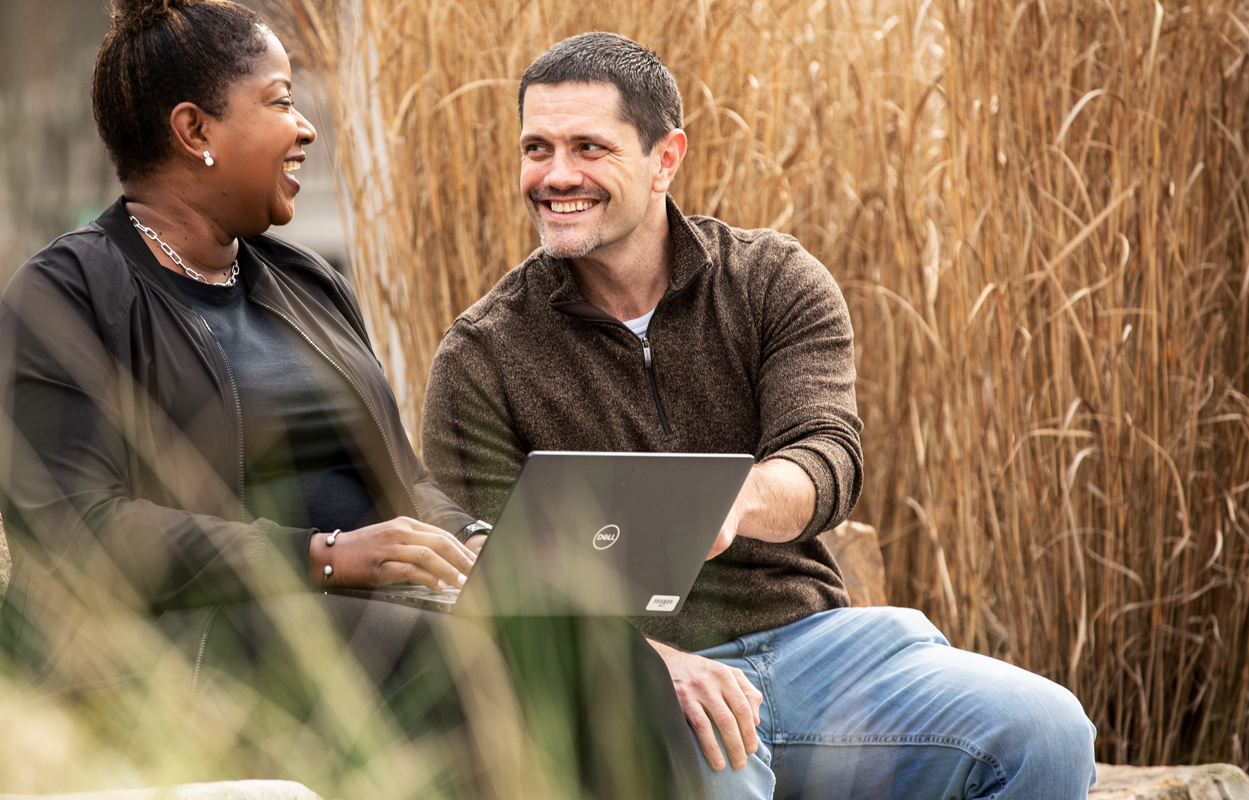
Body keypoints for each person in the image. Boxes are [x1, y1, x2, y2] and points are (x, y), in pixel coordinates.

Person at [0, 5, 699, 797]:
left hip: (364, 615)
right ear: (195, 131)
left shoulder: (305, 282)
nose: (305, 127)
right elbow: (77, 532)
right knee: (481, 675)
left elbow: (400, 477)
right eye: (280, 100)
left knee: (608, 657)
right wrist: (321, 556)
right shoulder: (69, 293)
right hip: (189, 643)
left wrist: (479, 544)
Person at [422, 32, 1099, 800]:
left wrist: (734, 501)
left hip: (816, 648)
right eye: (536, 148)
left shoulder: (772, 280)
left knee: (1045, 731)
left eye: (588, 147)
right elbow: (484, 576)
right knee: (712, 766)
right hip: (623, 675)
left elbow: (827, 455)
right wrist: (646, 662)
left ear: (665, 158)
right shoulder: (482, 351)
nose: (556, 176)